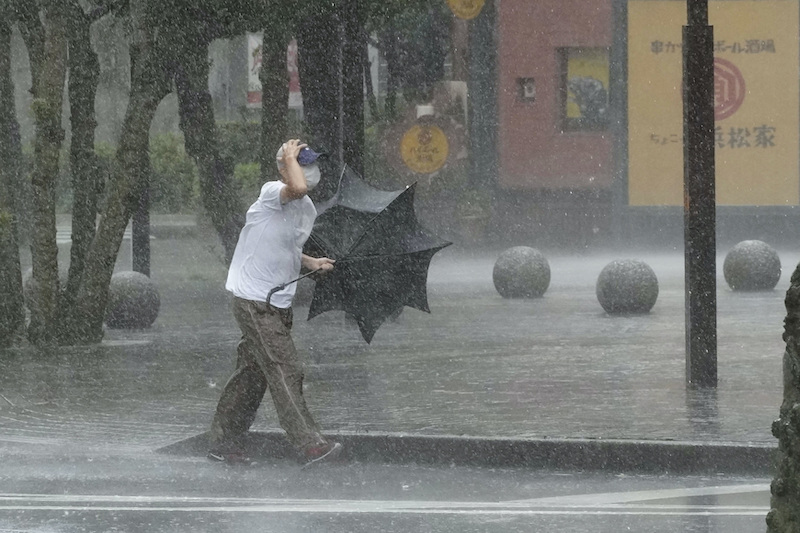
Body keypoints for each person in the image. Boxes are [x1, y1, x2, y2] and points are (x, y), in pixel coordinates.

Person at [208, 139, 341, 466]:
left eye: (311, 163)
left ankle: (223, 442)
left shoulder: (305, 208)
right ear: (283, 169)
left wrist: (311, 263)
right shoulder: (272, 193)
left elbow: (286, 247)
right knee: (285, 368)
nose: (310, 171)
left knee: (252, 375)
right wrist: (288, 158)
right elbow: (294, 186)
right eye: (301, 163)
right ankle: (310, 445)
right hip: (255, 301)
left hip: (277, 304)